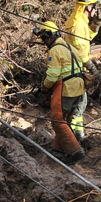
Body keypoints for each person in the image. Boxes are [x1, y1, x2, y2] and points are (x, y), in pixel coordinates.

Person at [34, 21, 86, 165]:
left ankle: (76, 151)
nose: (44, 42)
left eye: (44, 38)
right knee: (65, 119)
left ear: (49, 36)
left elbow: (52, 75)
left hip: (66, 87)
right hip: (79, 88)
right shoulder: (70, 47)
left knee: (57, 120)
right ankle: (58, 150)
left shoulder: (55, 50)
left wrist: (44, 88)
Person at [63, 0, 101, 139]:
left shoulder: (80, 21)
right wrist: (92, 68)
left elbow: (87, 38)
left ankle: (76, 134)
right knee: (79, 105)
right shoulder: (78, 24)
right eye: (95, 7)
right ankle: (75, 136)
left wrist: (97, 24)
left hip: (73, 70)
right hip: (73, 72)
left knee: (78, 105)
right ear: (87, 7)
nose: (96, 10)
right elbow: (80, 52)